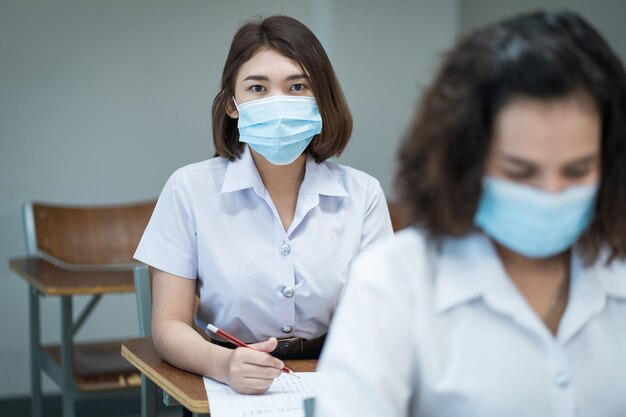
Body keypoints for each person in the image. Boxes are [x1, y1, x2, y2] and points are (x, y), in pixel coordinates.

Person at [316, 10, 626, 417]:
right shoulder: (394, 283)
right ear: (466, 162)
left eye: (577, 170)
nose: (551, 193)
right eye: (520, 171)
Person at [134, 15, 392, 399]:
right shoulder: (189, 188)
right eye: (257, 87)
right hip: (223, 374)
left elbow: (378, 319)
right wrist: (223, 365)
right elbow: (169, 324)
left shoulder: (363, 193)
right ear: (232, 105)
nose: (278, 103)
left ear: (321, 100)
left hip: (333, 374)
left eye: (297, 86)